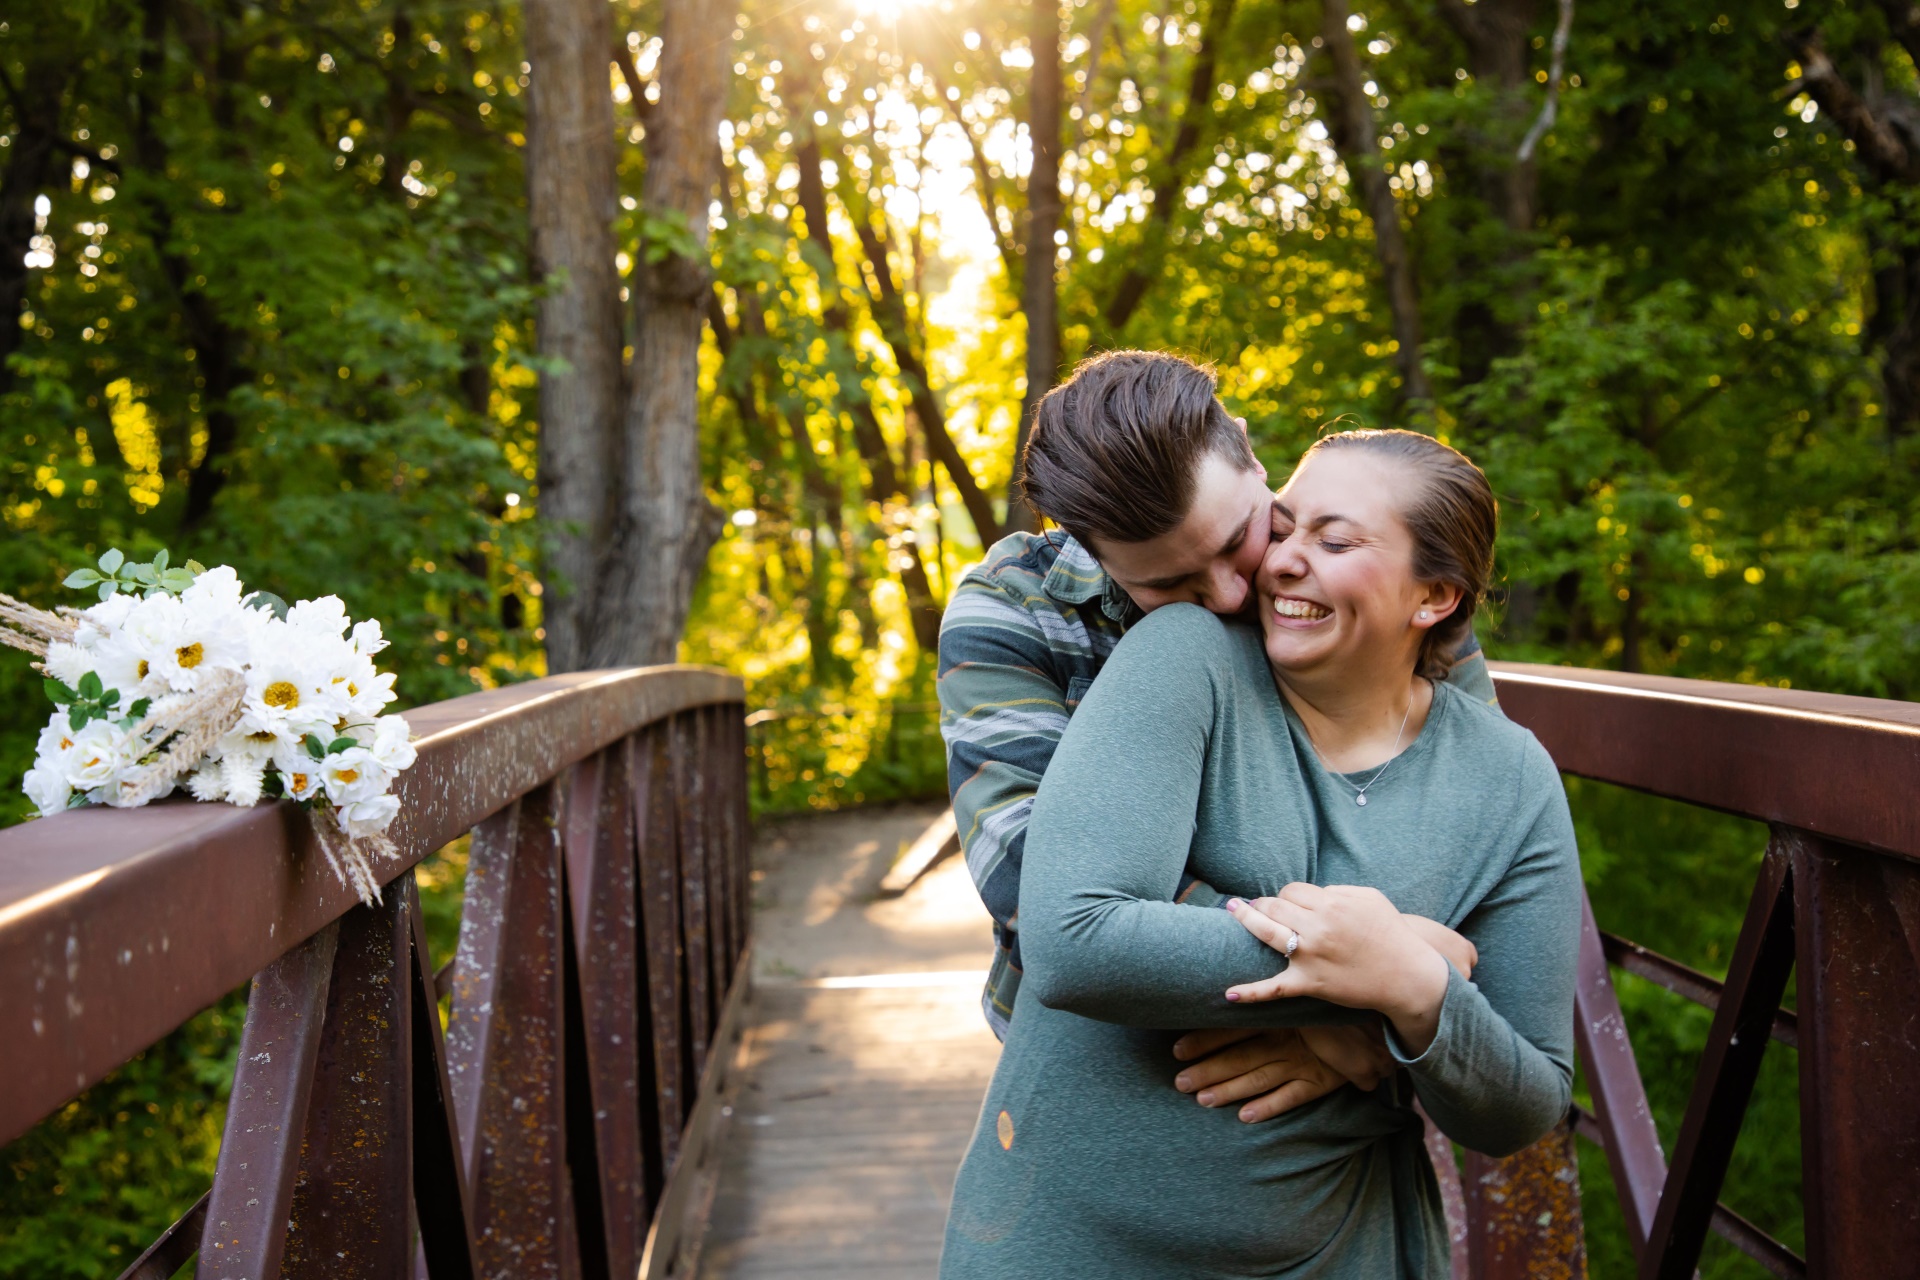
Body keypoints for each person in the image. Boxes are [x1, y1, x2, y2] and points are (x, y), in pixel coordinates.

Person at [940, 428, 1581, 1278]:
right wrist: (1360, 984)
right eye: (1286, 529)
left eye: (1332, 538)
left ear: (1433, 597)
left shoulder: (1511, 775)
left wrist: (1411, 988)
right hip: (1069, 1242)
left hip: (1339, 1250)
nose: (1265, 569)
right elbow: (1067, 929)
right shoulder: (1180, 653)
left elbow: (1525, 1100)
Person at [938, 351, 1498, 1120]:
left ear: (1249, 451)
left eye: (1239, 539)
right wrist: (1355, 991)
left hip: (1346, 1108)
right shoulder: (1013, 610)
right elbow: (1032, 885)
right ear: (1085, 547)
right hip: (1105, 1070)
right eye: (1168, 587)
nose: (1234, 594)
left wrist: (1366, 1021)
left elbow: (1476, 819)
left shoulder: (1366, 572)